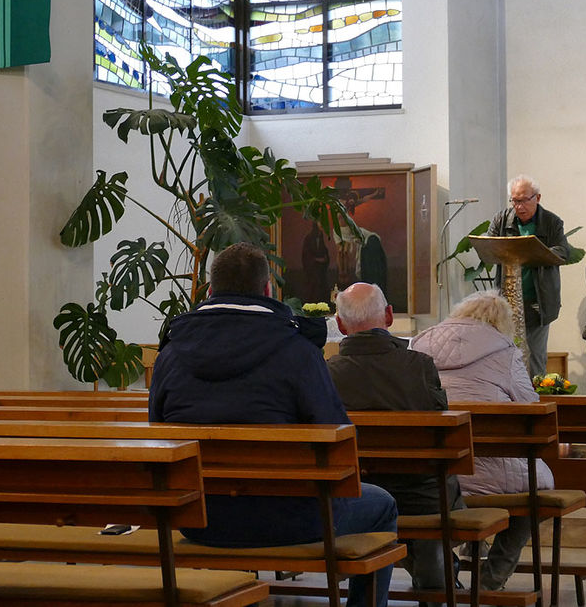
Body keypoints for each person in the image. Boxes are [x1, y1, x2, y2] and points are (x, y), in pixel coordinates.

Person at [149, 242, 397, 607]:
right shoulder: (297, 351)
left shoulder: (170, 355)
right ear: (267, 290)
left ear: (210, 291)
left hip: (197, 519)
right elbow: (340, 441)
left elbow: (158, 434)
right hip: (292, 519)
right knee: (382, 505)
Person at [327, 282, 462, 607]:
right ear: (388, 316)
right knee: (437, 481)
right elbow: (439, 431)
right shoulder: (419, 366)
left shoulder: (327, 374)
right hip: (422, 496)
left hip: (357, 495)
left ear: (341, 325)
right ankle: (436, 573)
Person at [411, 290, 555, 592]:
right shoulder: (506, 352)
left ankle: (444, 576)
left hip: (435, 473)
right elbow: (531, 411)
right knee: (536, 491)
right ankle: (491, 577)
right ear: (501, 323)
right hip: (495, 470)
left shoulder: (418, 346)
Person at [488, 174, 569, 377]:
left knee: (535, 356)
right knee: (504, 354)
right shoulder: (501, 220)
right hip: (506, 301)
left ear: (537, 198)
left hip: (538, 301)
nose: (519, 206)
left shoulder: (552, 222)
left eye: (524, 200)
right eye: (515, 200)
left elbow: (563, 252)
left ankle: (536, 402)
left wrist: (535, 252)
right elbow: (488, 245)